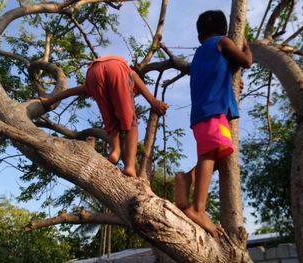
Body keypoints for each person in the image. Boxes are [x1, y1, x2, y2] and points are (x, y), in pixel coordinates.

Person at [174, 10, 252, 238]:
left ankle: (187, 178)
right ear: (223, 30)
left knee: (219, 154)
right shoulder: (223, 42)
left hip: (202, 114)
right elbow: (246, 61)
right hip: (212, 113)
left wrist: (231, 83)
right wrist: (244, 42)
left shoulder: (200, 54)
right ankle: (198, 208)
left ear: (199, 36)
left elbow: (218, 75)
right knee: (210, 154)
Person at [39, 56, 168, 178]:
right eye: (135, 93)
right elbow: (134, 77)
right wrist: (153, 102)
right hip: (117, 67)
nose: (133, 95)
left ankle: (115, 152)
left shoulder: (90, 88)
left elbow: (69, 92)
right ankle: (130, 166)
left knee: (112, 123)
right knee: (131, 123)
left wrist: (48, 101)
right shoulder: (130, 73)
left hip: (93, 73)